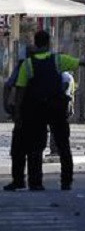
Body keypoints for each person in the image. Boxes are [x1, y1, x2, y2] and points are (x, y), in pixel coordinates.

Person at [14, 30, 85, 191]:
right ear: (48, 44)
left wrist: (18, 114)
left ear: (36, 43)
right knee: (63, 146)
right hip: (56, 108)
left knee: (36, 147)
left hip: (36, 110)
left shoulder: (27, 65)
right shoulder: (58, 60)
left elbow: (20, 91)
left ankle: (35, 182)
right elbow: (83, 62)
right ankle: (66, 181)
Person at [4, 45, 40, 191]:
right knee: (34, 149)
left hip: (24, 113)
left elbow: (9, 86)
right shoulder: (46, 64)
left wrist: (7, 105)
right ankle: (35, 181)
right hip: (38, 113)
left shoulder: (23, 65)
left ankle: (20, 180)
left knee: (20, 149)